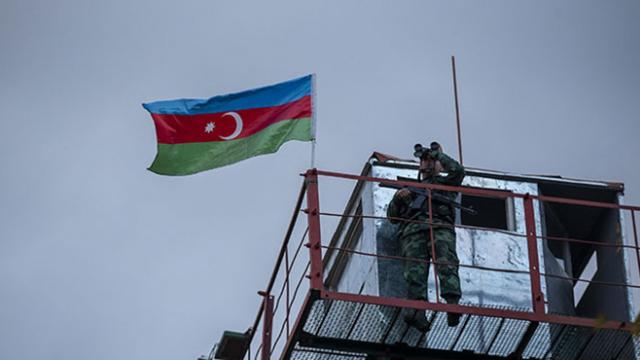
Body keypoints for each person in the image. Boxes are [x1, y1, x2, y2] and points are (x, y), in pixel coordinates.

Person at [386, 142, 465, 331]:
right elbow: (392, 217)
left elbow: (459, 171)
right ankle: (417, 312)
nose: (426, 163)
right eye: (423, 160)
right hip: (413, 233)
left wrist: (439, 156)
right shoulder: (410, 187)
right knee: (415, 273)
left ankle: (452, 304)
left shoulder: (445, 184)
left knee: (446, 264)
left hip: (439, 228)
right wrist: (398, 198)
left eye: (430, 160)